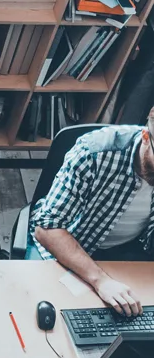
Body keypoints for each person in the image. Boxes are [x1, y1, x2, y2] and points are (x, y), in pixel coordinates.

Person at [30, 113, 154, 317]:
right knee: (46, 310)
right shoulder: (94, 151)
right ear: (146, 137)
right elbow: (47, 228)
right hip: (70, 242)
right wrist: (101, 280)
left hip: (130, 251)